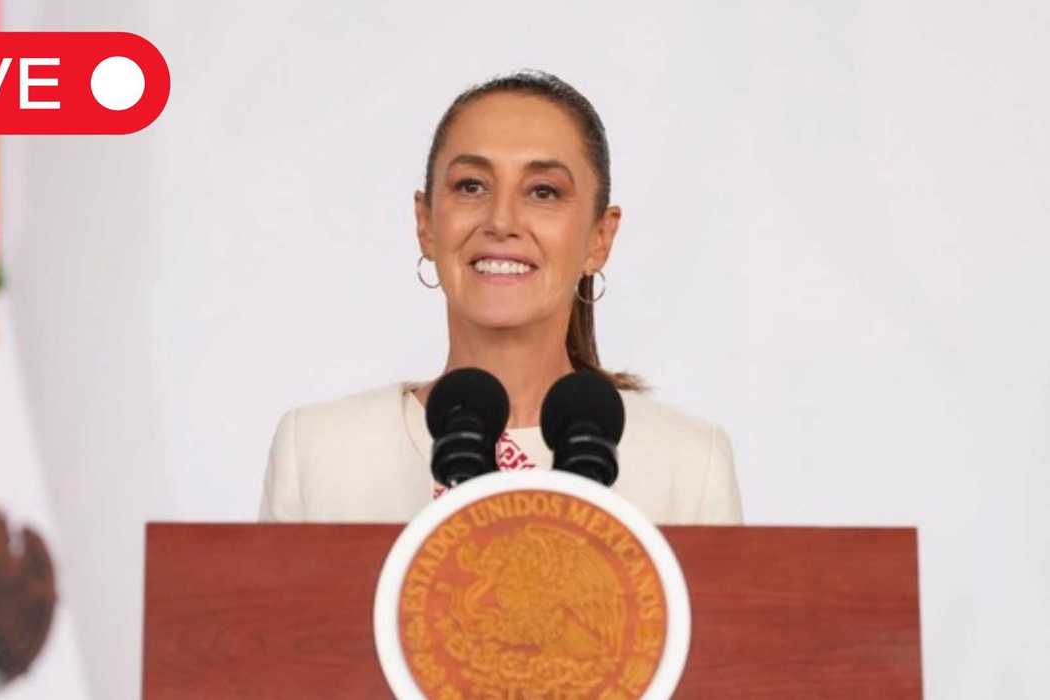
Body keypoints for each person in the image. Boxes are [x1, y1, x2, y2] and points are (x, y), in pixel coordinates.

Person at [258, 70, 742, 524]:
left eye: (544, 192)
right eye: (471, 186)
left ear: (600, 237)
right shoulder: (319, 453)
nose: (502, 221)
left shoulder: (689, 466)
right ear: (425, 223)